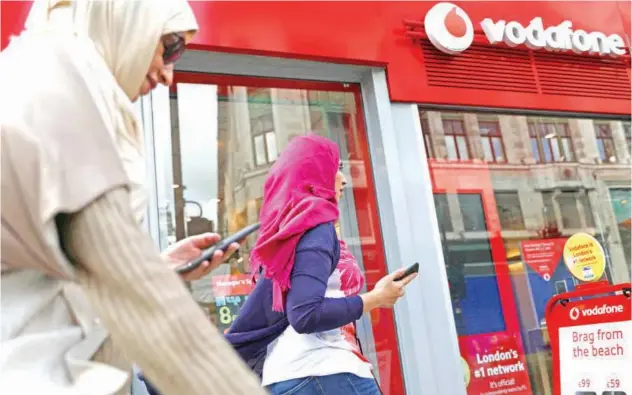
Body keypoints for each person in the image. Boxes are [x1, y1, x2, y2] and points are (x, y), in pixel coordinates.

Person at [0, 1, 265, 394]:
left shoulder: (30, 75)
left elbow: (56, 273)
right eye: (170, 46)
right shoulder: (56, 81)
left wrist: (160, 268)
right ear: (123, 16)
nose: (168, 75)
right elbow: (141, 300)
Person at [225, 134, 417, 395]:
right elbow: (305, 314)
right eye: (337, 168)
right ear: (313, 172)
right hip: (325, 371)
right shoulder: (316, 227)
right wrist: (376, 298)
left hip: (285, 376)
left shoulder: (281, 231)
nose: (344, 179)